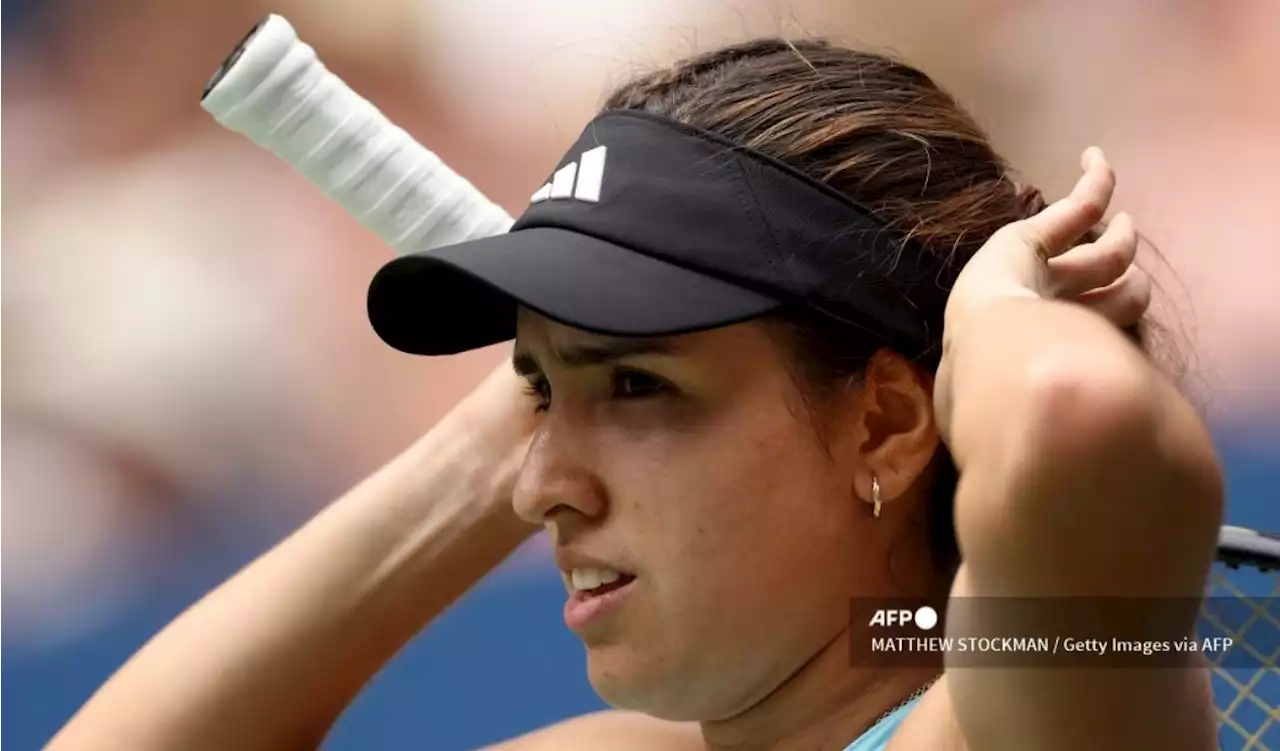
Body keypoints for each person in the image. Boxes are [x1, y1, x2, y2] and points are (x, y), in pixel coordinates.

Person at [49, 39, 1223, 751]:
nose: (542, 487)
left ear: (886, 418)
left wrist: (994, 307)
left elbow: (1074, 411)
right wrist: (511, 416)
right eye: (541, 392)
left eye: (640, 384)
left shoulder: (1048, 694)